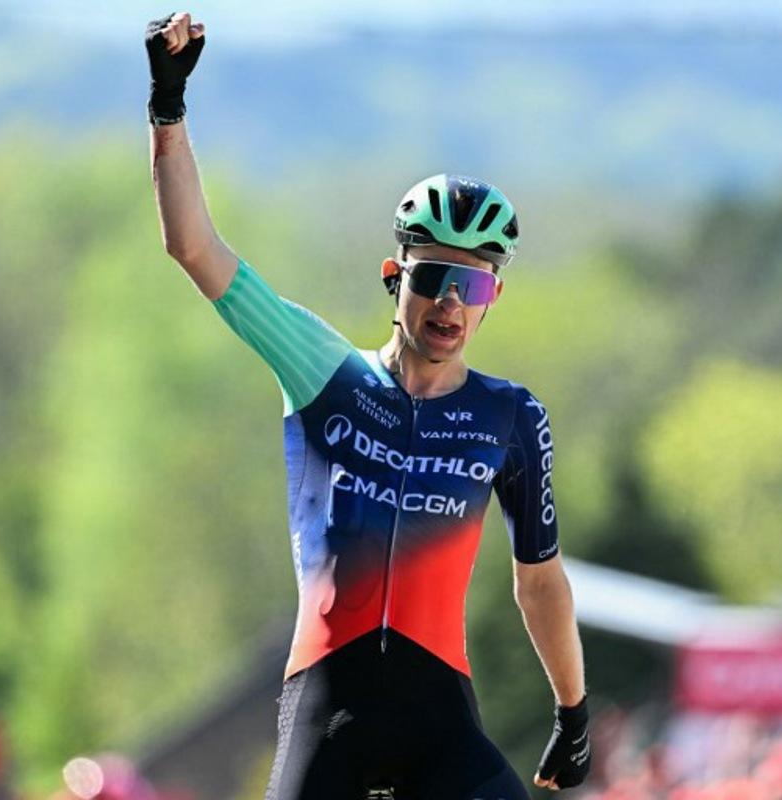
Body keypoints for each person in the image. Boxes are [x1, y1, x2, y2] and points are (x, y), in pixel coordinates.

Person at [144, 12, 591, 800]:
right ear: (395, 277)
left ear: (495, 298)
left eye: (475, 284)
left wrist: (573, 710)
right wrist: (169, 110)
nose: (450, 303)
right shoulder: (323, 370)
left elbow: (540, 580)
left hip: (439, 720)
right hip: (327, 713)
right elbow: (195, 249)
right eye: (432, 279)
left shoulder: (510, 416)